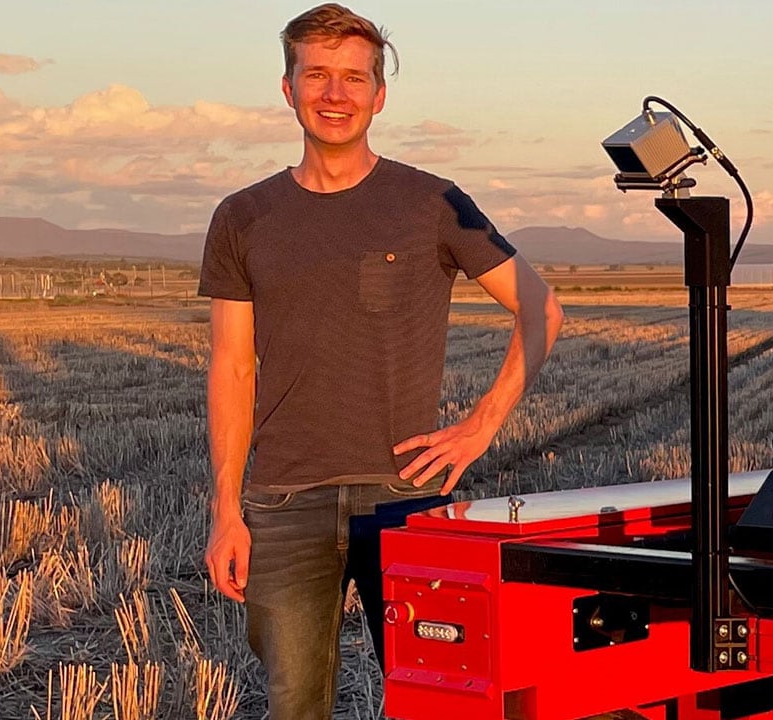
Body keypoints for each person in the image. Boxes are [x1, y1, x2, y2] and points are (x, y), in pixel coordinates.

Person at [199, 4, 565, 719]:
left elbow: (541, 308)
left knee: (436, 700)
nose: (335, 94)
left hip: (405, 498)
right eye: (317, 75)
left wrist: (481, 426)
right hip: (281, 504)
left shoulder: (431, 202)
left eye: (353, 78)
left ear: (379, 95)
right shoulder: (242, 217)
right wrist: (225, 512)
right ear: (287, 88)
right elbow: (232, 369)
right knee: (295, 707)